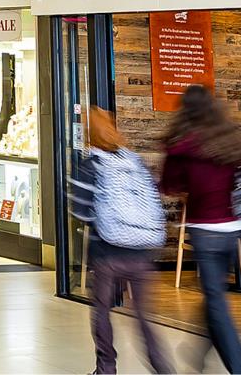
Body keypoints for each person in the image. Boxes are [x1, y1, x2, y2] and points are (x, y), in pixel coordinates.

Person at [159, 84, 241, 374]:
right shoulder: (232, 141)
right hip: (235, 227)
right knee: (214, 297)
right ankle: (198, 354)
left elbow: (169, 185)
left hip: (205, 229)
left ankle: (240, 370)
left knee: (215, 299)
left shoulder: (182, 147)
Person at [69, 107, 170, 374]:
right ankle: (163, 368)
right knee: (143, 317)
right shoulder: (134, 161)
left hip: (107, 251)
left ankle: (106, 369)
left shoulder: (91, 164)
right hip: (142, 250)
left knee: (102, 310)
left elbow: (79, 209)